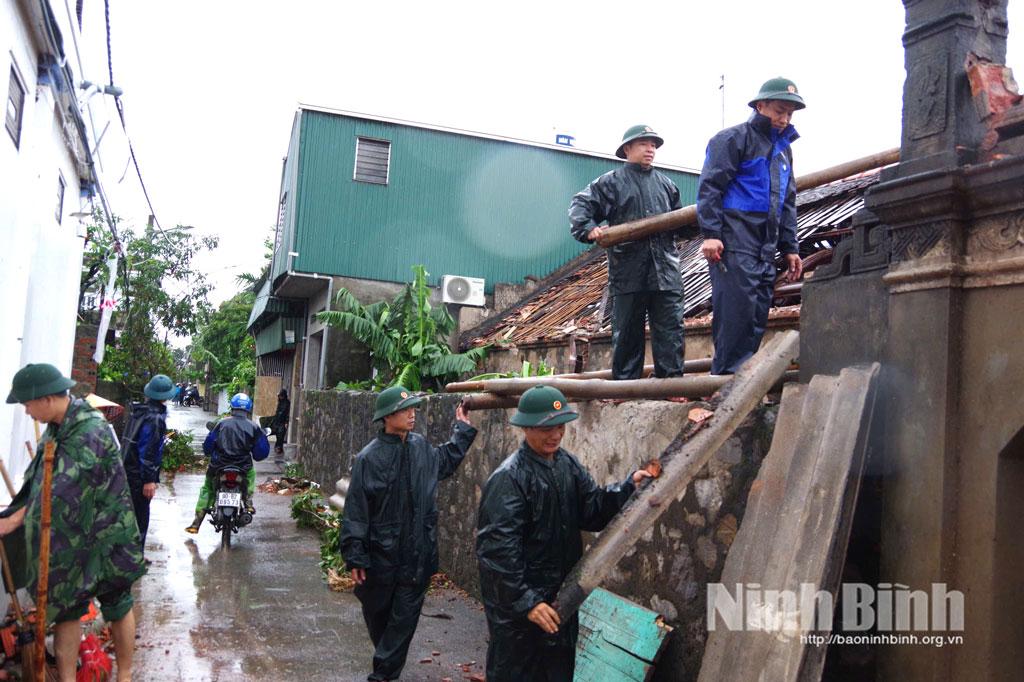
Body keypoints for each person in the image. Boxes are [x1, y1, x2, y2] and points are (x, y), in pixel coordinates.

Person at [475, 386, 652, 681]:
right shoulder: (509, 479)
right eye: (547, 428)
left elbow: (592, 508)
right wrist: (526, 602)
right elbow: (497, 554)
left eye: (560, 426)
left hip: (560, 603)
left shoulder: (565, 464)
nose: (555, 435)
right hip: (520, 616)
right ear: (527, 427)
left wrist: (627, 488)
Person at [0, 363, 144, 682]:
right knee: (66, 607)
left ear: (47, 399)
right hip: (71, 538)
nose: (26, 411)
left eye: (27, 404)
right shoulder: (57, 428)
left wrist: (15, 522)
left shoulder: (89, 429)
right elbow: (36, 480)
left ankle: (126, 676)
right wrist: (12, 514)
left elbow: (61, 487)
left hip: (107, 536)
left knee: (117, 603)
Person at [340, 386, 477, 682]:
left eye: (413, 409)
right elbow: (356, 512)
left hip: (417, 558)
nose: (412, 414)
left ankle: (382, 676)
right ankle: (388, 665)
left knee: (402, 624)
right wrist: (355, 556)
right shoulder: (369, 458)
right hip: (379, 561)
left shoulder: (421, 448)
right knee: (380, 621)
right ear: (388, 417)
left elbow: (445, 460)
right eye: (405, 410)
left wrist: (462, 430)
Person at [697, 77, 806, 375]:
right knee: (736, 313)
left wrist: (790, 247)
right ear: (760, 106)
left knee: (757, 313)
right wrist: (710, 234)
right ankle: (725, 386)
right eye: (779, 111)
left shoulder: (784, 151)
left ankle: (742, 383)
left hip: (765, 244)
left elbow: (787, 201)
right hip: (734, 240)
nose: (784, 119)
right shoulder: (732, 139)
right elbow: (711, 187)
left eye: (789, 114)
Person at [569, 124, 687, 380]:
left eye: (654, 145)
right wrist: (588, 228)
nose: (650, 149)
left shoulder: (667, 185)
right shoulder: (611, 182)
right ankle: (624, 385)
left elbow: (682, 225)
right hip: (629, 270)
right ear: (627, 149)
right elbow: (580, 204)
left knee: (670, 329)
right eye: (644, 144)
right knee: (627, 331)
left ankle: (672, 384)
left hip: (665, 271)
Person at [185, 392, 269, 534]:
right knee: (251, 476)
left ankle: (196, 522)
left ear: (232, 407)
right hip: (243, 467)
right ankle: (248, 503)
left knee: (207, 488)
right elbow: (260, 454)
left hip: (218, 466)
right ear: (248, 409)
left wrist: (212, 452)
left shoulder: (221, 424)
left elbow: (207, 448)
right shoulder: (253, 427)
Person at [120, 374, 174, 555]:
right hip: (138, 476)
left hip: (127, 471)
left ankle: (132, 557)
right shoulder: (154, 418)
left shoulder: (138, 412)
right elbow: (148, 452)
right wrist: (149, 480)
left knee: (130, 516)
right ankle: (133, 560)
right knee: (140, 518)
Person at [270, 388, 290, 456]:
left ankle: (279, 448)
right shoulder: (280, 402)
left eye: (281, 396)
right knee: (277, 434)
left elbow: (287, 413)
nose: (280, 397)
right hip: (277, 420)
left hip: (283, 421)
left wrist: (286, 422)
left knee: (281, 435)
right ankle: (277, 447)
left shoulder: (287, 403)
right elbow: (278, 411)